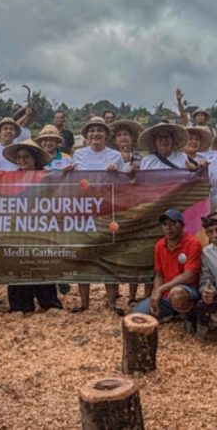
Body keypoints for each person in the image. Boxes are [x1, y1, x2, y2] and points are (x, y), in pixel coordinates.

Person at [70, 116, 128, 313]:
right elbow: (71, 182)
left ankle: (111, 301)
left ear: (106, 134)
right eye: (92, 130)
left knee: (108, 254)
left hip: (107, 210)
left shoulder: (116, 156)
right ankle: (84, 303)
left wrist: (117, 175)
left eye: (100, 130)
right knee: (83, 254)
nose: (95, 134)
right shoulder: (78, 154)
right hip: (83, 210)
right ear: (87, 135)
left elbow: (125, 185)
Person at [2, 140, 65, 312]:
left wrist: (67, 174)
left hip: (40, 226)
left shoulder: (46, 176)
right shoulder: (10, 178)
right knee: (17, 262)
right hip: (18, 226)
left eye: (26, 157)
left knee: (42, 262)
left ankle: (48, 302)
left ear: (34, 159)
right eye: (19, 157)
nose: (22, 160)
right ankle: (20, 305)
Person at [132, 209, 202, 329]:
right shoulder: (159, 245)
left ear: (182, 225)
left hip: (188, 290)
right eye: (165, 224)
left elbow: (190, 276)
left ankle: (190, 316)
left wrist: (161, 289)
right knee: (137, 315)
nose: (168, 228)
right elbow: (159, 274)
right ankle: (173, 312)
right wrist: (156, 293)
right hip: (166, 293)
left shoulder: (193, 243)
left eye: (173, 223)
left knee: (177, 295)